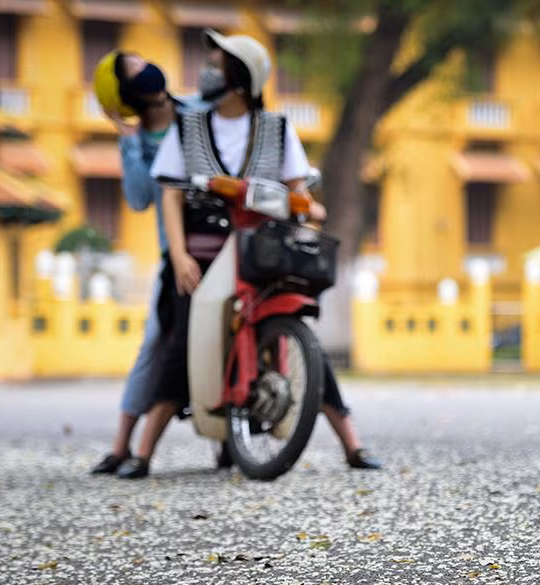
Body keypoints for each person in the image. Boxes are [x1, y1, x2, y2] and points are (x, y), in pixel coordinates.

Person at [118, 29, 380, 479]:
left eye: (216, 65)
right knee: (183, 337)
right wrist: (178, 256)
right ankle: (142, 452)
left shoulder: (277, 128)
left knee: (303, 338)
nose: (206, 73)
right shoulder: (190, 126)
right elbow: (170, 196)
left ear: (240, 78)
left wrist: (308, 209)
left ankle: (352, 442)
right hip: (200, 255)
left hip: (262, 252)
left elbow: (300, 191)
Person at [88, 51, 183, 475]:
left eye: (145, 60)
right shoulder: (140, 140)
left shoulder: (195, 115)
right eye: (134, 68)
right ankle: (123, 444)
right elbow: (140, 198)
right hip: (176, 255)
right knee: (154, 343)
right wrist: (127, 139)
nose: (147, 66)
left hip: (223, 241)